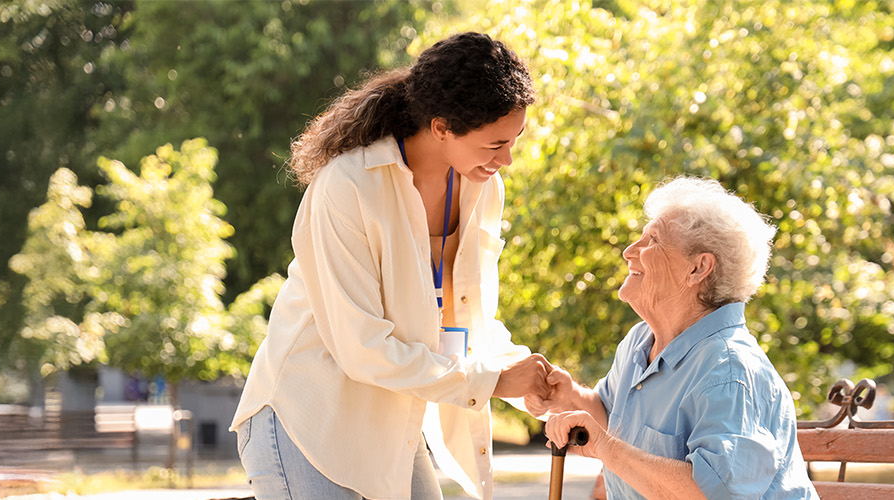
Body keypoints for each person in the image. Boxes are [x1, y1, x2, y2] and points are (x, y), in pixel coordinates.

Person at [230, 32, 554, 500]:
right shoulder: (347, 186)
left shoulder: (483, 186)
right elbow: (361, 346)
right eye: (494, 145)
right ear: (441, 127)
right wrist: (494, 381)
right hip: (308, 422)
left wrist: (528, 375)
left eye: (515, 140)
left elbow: (466, 315)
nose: (506, 160)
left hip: (391, 425)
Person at [534, 177, 818, 499]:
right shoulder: (641, 342)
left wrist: (605, 448)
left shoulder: (728, 369)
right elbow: (611, 419)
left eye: (652, 240)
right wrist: (569, 396)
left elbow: (715, 494)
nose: (629, 252)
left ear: (698, 268)